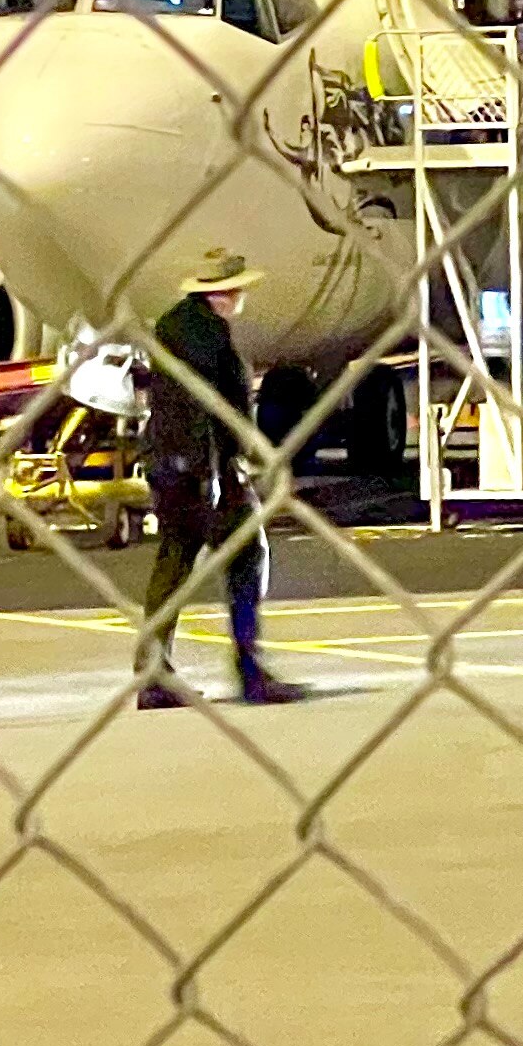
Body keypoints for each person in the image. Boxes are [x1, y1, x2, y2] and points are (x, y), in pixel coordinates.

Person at [136, 252, 307, 709]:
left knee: (174, 561)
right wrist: (211, 473)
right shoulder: (204, 336)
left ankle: (154, 673)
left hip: (175, 464)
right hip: (202, 468)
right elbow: (201, 410)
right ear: (223, 293)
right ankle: (250, 671)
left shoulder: (180, 326)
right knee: (247, 554)